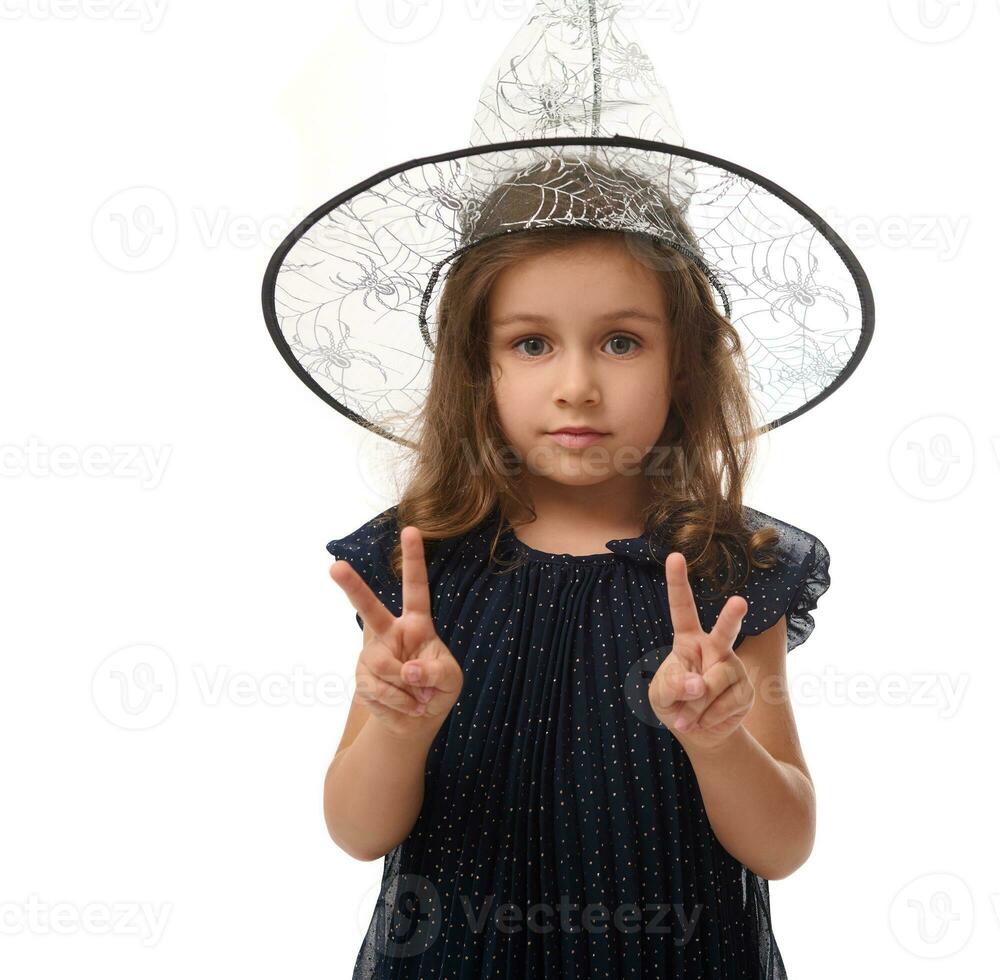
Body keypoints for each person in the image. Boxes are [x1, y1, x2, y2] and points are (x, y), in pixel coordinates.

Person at [321, 162, 834, 978]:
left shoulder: (727, 573)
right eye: (531, 344)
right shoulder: (424, 566)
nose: (576, 387)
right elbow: (356, 830)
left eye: (621, 342)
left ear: (685, 365)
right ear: (476, 368)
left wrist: (719, 739)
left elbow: (781, 845)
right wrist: (399, 727)